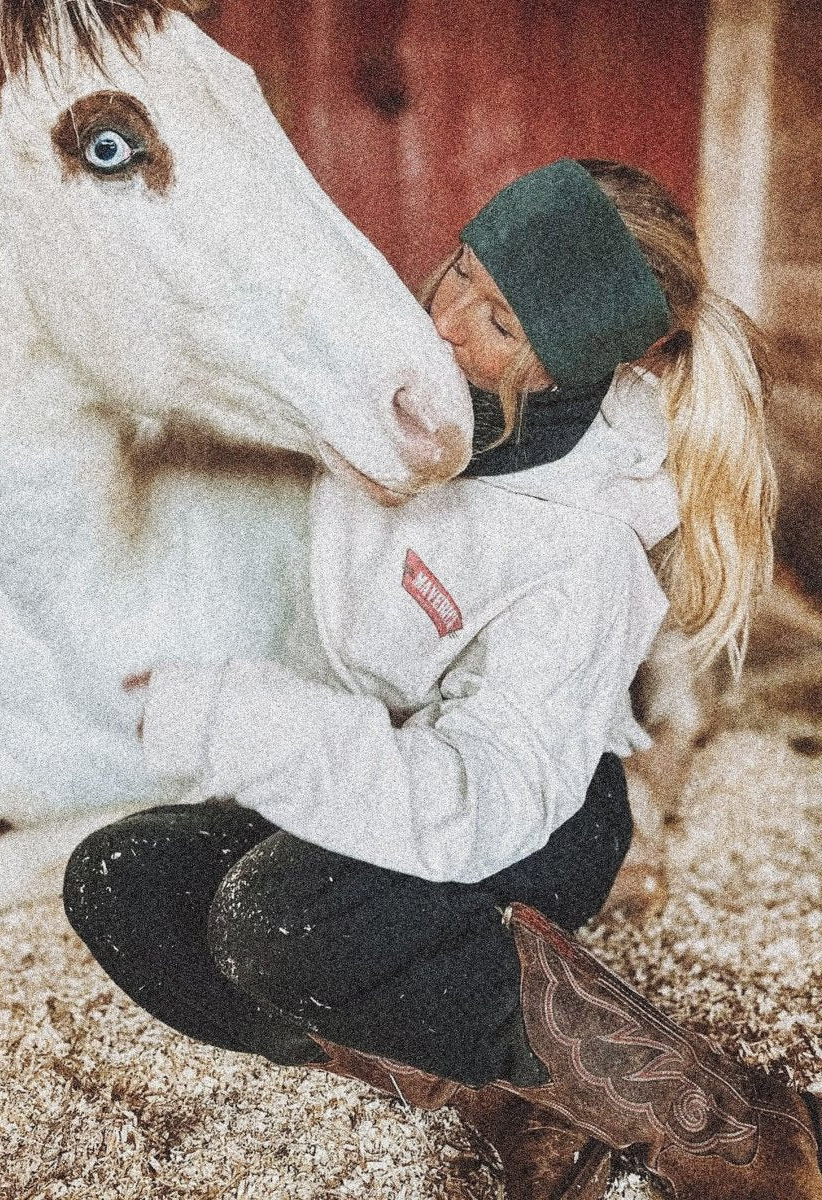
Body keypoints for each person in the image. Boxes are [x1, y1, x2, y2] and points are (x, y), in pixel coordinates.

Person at [63, 159, 822, 1199]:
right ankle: (507, 1102)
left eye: (500, 322)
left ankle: (728, 1129)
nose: (448, 318)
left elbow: (478, 799)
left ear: (565, 366)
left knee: (273, 925)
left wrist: (240, 720)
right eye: (461, 266)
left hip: (528, 817)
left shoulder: (579, 555)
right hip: (400, 765)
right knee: (120, 882)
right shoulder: (427, 398)